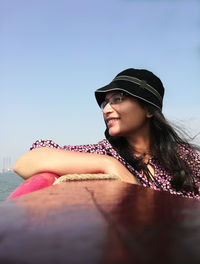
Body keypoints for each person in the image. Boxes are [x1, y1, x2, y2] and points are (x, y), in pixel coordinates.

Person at [14, 68, 200, 199]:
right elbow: (25, 163)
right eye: (105, 103)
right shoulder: (106, 153)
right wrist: (108, 163)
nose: (106, 110)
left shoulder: (185, 156)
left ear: (149, 110)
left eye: (117, 99)